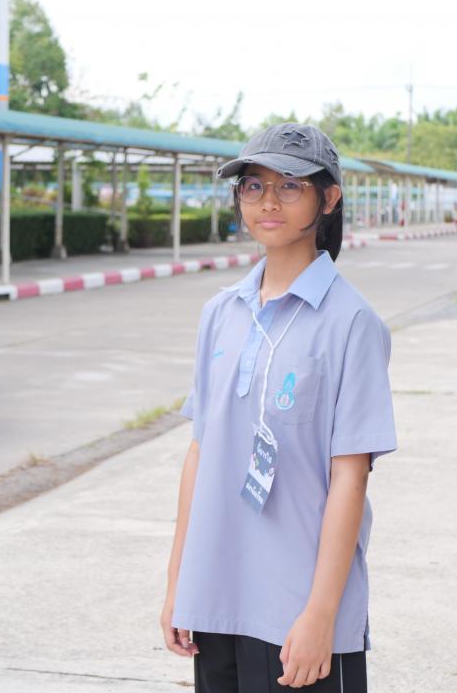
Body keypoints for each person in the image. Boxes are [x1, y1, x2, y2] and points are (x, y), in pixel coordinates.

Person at [162, 123, 397, 692]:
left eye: (290, 185)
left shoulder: (352, 323)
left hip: (298, 615)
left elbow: (350, 476)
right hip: (217, 599)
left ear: (329, 198)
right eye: (253, 185)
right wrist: (179, 585)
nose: (268, 201)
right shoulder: (220, 313)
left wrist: (320, 615)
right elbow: (200, 453)